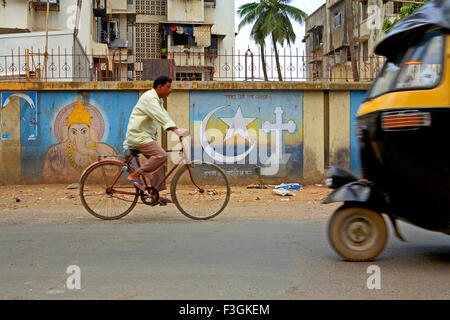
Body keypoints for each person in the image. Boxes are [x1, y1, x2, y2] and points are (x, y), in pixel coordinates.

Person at [125, 75, 189, 205]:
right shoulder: (149, 98)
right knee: (161, 155)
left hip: (144, 137)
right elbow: (159, 116)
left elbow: (164, 115)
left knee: (160, 162)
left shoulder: (157, 100)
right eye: (168, 87)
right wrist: (176, 130)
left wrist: (176, 128)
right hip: (138, 136)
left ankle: (154, 194)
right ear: (159, 87)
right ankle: (135, 175)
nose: (170, 90)